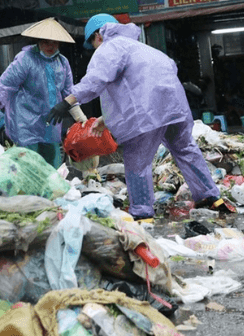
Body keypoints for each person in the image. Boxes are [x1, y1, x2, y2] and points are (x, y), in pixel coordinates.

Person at [46, 13, 231, 219]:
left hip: (147, 116)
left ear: (99, 35)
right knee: (186, 150)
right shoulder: (142, 48)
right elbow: (139, 85)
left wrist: (67, 102)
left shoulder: (109, 48)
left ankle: (142, 213)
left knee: (136, 162)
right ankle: (212, 198)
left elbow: (96, 80)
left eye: (92, 43)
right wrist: (104, 119)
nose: (94, 48)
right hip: (175, 109)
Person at [0, 17, 87, 168]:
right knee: (29, 165)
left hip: (51, 122)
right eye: (46, 42)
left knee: (52, 165)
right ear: (38, 41)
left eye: (54, 42)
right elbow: (6, 83)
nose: (50, 46)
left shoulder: (62, 63)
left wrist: (80, 117)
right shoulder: (26, 59)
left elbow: (68, 92)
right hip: (27, 122)